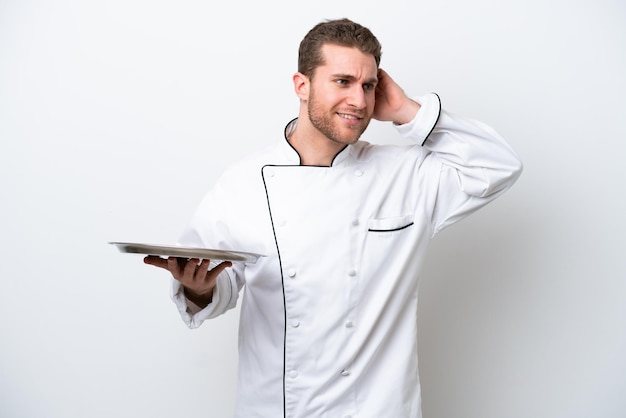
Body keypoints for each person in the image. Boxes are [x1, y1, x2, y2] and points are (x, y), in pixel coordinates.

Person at [144, 18, 522, 418]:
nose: (359, 101)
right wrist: (198, 289)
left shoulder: (406, 175)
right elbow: (216, 287)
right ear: (301, 85)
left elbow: (498, 165)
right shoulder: (243, 183)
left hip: (378, 409)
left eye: (368, 85)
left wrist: (406, 111)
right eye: (343, 81)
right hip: (276, 408)